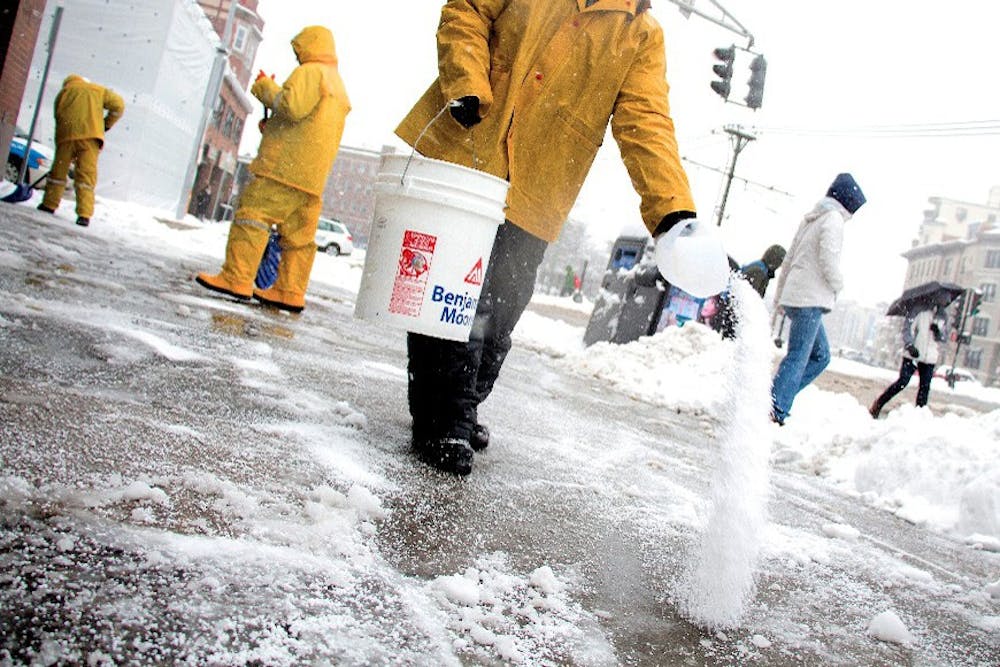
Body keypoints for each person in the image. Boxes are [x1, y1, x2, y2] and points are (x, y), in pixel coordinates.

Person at [396, 0, 724, 475]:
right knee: (452, 296)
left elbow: (645, 120)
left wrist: (671, 208)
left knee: (502, 306)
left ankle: (461, 405)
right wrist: (467, 79)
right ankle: (445, 418)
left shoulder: (639, 34)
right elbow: (466, 9)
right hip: (471, 150)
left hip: (541, 181)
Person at [196, 26, 350, 313]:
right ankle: (290, 291)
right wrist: (274, 127)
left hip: (283, 168)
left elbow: (290, 106)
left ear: (309, 46)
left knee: (253, 216)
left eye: (298, 49)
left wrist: (265, 88)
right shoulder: (338, 86)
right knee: (299, 238)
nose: (297, 56)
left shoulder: (311, 72)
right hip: (312, 177)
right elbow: (307, 125)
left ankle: (236, 278)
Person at [769, 173, 866, 425]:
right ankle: (774, 407)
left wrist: (781, 297)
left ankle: (777, 397)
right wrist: (838, 284)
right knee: (799, 355)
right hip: (810, 298)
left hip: (796, 295)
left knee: (821, 356)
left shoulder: (812, 219)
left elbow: (788, 260)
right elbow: (828, 260)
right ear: (848, 203)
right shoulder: (833, 220)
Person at [37, 75, 125, 227]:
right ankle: (84, 215)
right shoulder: (97, 90)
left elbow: (58, 116)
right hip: (90, 138)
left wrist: (63, 138)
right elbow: (119, 106)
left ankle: (49, 205)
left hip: (66, 137)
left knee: (58, 173)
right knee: (86, 176)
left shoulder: (63, 92)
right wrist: (106, 124)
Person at [869, 305, 948, 418]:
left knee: (924, 388)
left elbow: (944, 337)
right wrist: (910, 345)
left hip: (929, 358)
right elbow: (907, 330)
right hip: (913, 354)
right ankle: (878, 404)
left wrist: (938, 332)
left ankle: (919, 415)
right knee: (902, 382)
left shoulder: (942, 316)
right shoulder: (917, 311)